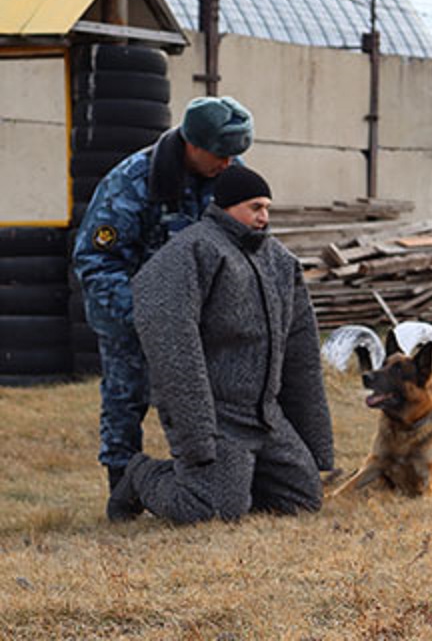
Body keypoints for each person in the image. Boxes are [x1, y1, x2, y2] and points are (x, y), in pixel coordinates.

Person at [107, 165, 334, 523]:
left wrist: (314, 440)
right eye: (255, 207)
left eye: (268, 208)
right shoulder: (190, 252)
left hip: (264, 415)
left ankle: (235, 480)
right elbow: (173, 345)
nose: (264, 217)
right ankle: (141, 474)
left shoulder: (279, 260)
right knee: (208, 511)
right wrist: (196, 435)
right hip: (218, 416)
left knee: (302, 499)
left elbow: (301, 349)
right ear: (227, 206)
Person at [73, 96, 254, 502]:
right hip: (134, 315)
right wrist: (150, 314)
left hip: (204, 318)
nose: (228, 163)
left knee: (218, 398)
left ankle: (215, 483)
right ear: (193, 143)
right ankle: (122, 488)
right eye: (220, 153)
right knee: (126, 398)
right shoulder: (131, 183)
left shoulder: (230, 176)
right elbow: (96, 261)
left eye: (235, 154)